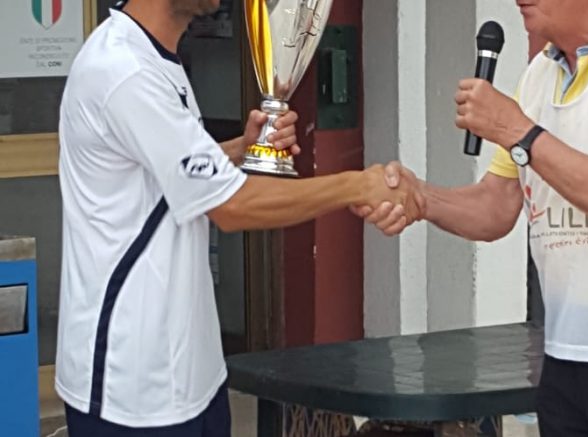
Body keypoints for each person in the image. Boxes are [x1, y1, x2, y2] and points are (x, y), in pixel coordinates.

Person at [55, 0, 423, 436]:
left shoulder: (153, 57)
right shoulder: (122, 70)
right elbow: (231, 206)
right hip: (130, 387)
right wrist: (356, 186)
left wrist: (244, 149)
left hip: (192, 371)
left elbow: (169, 170)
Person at [356, 0, 588, 436]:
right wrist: (420, 199)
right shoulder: (539, 74)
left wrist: (516, 129)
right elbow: (495, 207)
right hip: (564, 354)